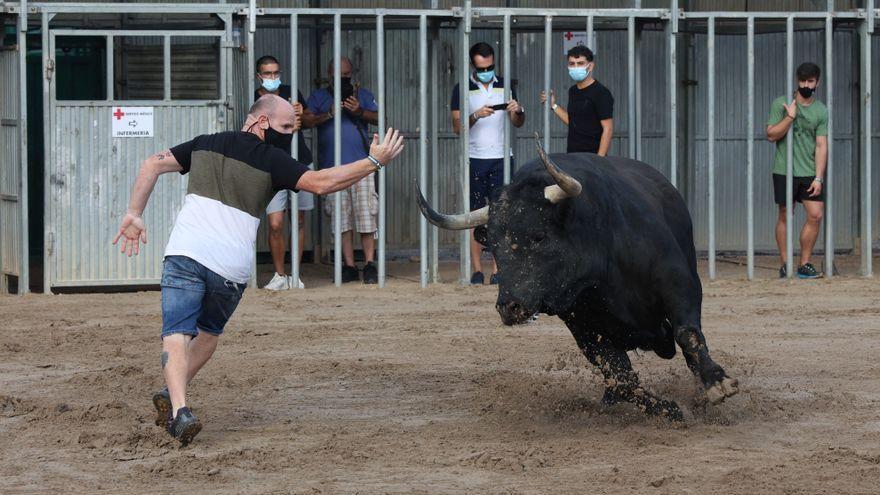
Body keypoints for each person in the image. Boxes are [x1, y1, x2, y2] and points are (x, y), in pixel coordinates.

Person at [112, 94, 404, 445]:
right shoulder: (274, 160)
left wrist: (134, 213)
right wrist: (374, 161)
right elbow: (323, 183)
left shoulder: (204, 144)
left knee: (176, 334)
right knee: (208, 334)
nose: (288, 135)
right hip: (230, 269)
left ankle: (178, 406)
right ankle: (177, 405)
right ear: (261, 121)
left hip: (185, 254)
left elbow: (152, 164)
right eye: (285, 127)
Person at [450, 42, 525, 285]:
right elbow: (456, 127)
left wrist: (517, 110)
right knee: (474, 215)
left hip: (502, 158)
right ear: (473, 65)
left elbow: (518, 123)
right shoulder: (462, 88)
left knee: (501, 214)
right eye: (482, 67)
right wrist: (475, 115)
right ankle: (476, 270)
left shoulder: (505, 85)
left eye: (490, 66)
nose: (487, 71)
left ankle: (497, 270)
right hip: (474, 158)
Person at [307, 57, 381, 284]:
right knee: (341, 220)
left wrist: (358, 110)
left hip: (362, 166)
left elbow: (380, 117)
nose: (343, 79)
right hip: (333, 169)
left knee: (366, 217)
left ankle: (369, 264)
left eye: (347, 75)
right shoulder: (319, 97)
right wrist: (329, 113)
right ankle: (349, 266)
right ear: (328, 76)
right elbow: (305, 121)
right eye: (338, 76)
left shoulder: (363, 95)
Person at [254, 55, 316, 290]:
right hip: (272, 165)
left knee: (299, 219)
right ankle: (279, 275)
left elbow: (310, 121)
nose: (273, 78)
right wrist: (288, 126)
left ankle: (296, 275)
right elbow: (255, 131)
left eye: (276, 73)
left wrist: (303, 115)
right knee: (276, 223)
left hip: (299, 161)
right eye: (268, 74)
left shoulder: (292, 92)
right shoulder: (255, 100)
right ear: (259, 76)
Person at [766, 62, 828, 279]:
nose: (806, 85)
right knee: (785, 214)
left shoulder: (821, 110)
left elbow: (821, 145)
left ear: (817, 82)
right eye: (802, 80)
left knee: (816, 214)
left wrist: (819, 177)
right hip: (784, 169)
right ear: (797, 80)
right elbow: (772, 135)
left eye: (810, 81)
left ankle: (804, 264)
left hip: (809, 171)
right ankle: (785, 264)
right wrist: (790, 117)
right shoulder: (781, 103)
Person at [540, 45, 613, 156]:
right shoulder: (573, 91)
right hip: (573, 156)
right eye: (572, 64)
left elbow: (607, 129)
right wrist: (553, 105)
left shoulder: (601, 93)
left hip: (592, 157)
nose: (576, 67)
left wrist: (599, 161)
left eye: (580, 63)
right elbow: (574, 122)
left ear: (591, 66)